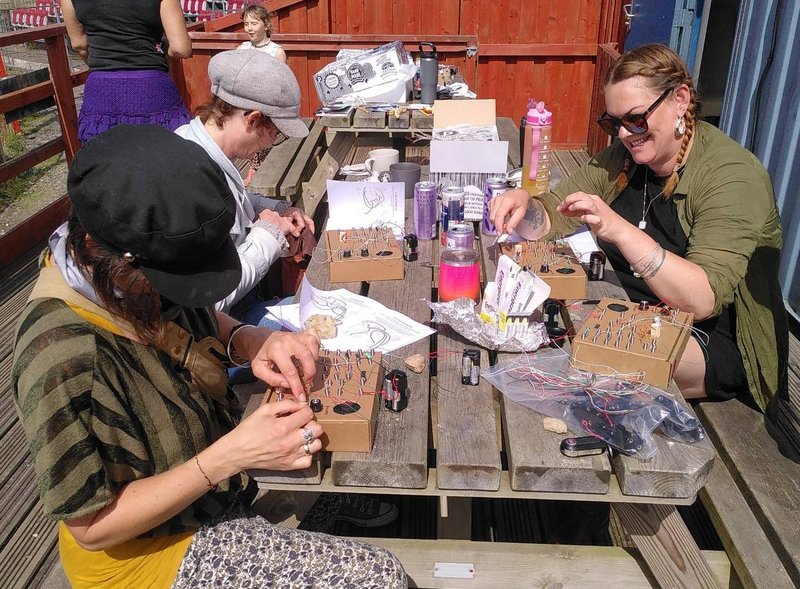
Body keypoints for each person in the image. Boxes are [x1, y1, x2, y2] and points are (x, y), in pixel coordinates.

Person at [11, 125, 407, 589]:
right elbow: (93, 527)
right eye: (176, 280)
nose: (183, 294)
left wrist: (250, 337)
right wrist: (231, 455)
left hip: (214, 490)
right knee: (380, 577)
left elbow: (184, 311)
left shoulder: (119, 271)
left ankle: (277, 513)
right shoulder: (60, 358)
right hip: (145, 552)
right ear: (122, 263)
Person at [490, 43, 788, 414]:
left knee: (570, 370)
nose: (625, 135)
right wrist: (525, 205)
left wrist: (621, 231)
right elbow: (555, 214)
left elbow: (702, 300)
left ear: (680, 98)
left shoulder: (732, 177)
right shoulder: (625, 158)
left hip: (716, 336)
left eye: (635, 119)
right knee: (534, 346)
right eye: (613, 123)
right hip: (633, 312)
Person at [176, 49, 314, 324]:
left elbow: (229, 201)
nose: (271, 143)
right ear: (252, 119)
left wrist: (276, 209)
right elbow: (211, 299)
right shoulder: (190, 176)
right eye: (275, 133)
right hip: (219, 327)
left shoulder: (198, 143)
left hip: (239, 307)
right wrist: (268, 235)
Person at [62, 0, 193, 143]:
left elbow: (79, 44)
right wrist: (162, 47)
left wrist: (103, 63)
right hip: (151, 87)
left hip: (102, 89)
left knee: (104, 157)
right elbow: (181, 48)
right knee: (164, 155)